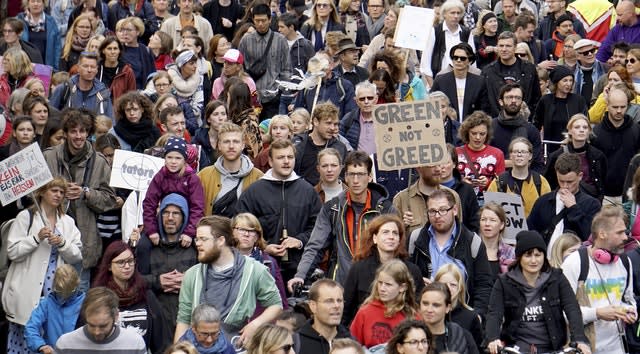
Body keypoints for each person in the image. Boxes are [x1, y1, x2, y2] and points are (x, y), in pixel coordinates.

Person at [288, 151, 395, 286]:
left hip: (377, 284)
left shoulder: (384, 209)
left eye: (361, 174)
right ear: (345, 176)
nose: (356, 180)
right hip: (341, 284)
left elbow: (396, 249)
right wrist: (300, 276)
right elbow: (316, 246)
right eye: (351, 174)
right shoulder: (332, 208)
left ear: (369, 177)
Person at [1, 177, 83, 353]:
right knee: (24, 338)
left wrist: (62, 243)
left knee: (50, 339)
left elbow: (77, 255)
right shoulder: (26, 217)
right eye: (54, 190)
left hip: (55, 290)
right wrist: (36, 238)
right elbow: (13, 252)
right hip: (27, 289)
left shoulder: (67, 221)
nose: (58, 195)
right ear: (42, 192)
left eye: (62, 192)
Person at [175, 216, 283, 344]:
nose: (197, 243)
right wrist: (178, 349)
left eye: (203, 239)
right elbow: (183, 319)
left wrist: (255, 325)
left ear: (221, 240)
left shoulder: (254, 270)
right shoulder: (192, 274)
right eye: (197, 239)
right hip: (198, 347)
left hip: (235, 346)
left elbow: (276, 305)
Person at [43, 109, 118, 288]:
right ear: (66, 133)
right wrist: (56, 191)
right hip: (49, 242)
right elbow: (34, 195)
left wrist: (86, 193)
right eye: (74, 131)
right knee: (48, 299)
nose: (78, 136)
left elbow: (110, 199)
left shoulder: (99, 162)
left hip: (84, 243)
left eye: (83, 131)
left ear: (89, 133)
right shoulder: (49, 156)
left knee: (78, 298)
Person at [485, 230, 591, 354]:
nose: (534, 260)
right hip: (517, 348)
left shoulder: (557, 278)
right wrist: (493, 338)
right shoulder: (504, 282)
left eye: (538, 254)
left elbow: (572, 308)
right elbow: (494, 313)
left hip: (552, 348)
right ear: (519, 258)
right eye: (528, 255)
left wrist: (579, 340)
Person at [237, 139, 322, 281]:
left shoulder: (307, 191)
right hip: (262, 266)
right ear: (270, 161)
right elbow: (241, 228)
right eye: (280, 157)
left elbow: (318, 227)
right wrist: (264, 247)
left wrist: (299, 241)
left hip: (299, 268)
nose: (286, 161)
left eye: (290, 157)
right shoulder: (254, 192)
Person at [562, 206, 637, 354]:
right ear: (602, 234)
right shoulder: (574, 263)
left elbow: (629, 300)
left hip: (618, 347)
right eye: (620, 233)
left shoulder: (624, 262)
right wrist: (597, 313)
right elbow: (562, 311)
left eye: (625, 232)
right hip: (584, 347)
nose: (625, 237)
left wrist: (630, 311)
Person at [410, 189, 493, 317]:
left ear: (454, 210)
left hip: (461, 316)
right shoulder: (416, 239)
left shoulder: (472, 242)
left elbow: (483, 285)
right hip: (424, 315)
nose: (437, 215)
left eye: (443, 210)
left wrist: (477, 316)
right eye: (432, 211)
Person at [342, 215, 424, 326]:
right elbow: (345, 310)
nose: (391, 237)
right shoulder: (359, 269)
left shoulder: (412, 271)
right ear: (375, 238)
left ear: (399, 239)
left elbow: (418, 308)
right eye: (385, 232)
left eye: (395, 233)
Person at [92, 241, 171, 354]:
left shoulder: (146, 295)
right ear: (109, 266)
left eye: (130, 261)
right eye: (121, 262)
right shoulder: (99, 298)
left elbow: (162, 341)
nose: (127, 266)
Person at [137, 193, 198, 335]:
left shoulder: (195, 247)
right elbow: (134, 281)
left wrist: (189, 281)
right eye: (166, 212)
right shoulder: (147, 246)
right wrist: (158, 281)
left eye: (176, 213)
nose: (170, 218)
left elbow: (209, 280)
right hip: (156, 321)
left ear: (184, 216)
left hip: (188, 322)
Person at [528, 152, 601, 248]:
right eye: (561, 181)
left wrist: (573, 208)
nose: (565, 186)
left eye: (570, 182)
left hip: (575, 260)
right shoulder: (543, 201)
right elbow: (530, 231)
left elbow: (590, 237)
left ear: (580, 176)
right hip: (545, 259)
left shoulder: (592, 204)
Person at [143, 136, 204, 247]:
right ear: (164, 158)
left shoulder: (192, 179)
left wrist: (190, 232)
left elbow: (198, 208)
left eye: (178, 158)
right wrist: (151, 230)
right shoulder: (160, 177)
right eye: (169, 157)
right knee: (143, 246)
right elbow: (149, 204)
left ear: (185, 160)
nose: (173, 162)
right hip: (164, 221)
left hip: (188, 223)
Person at [239, 3, 292, 119]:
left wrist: (281, 92)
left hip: (273, 96)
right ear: (253, 20)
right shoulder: (246, 40)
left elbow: (287, 69)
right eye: (257, 20)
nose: (260, 24)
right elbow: (240, 67)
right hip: (251, 97)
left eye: (263, 20)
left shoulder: (280, 40)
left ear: (270, 19)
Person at [198, 122, 263, 217]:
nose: (231, 146)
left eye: (236, 141)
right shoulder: (203, 176)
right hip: (214, 230)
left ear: (243, 145)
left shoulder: (258, 177)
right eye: (226, 142)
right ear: (219, 145)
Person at [54, 287, 147, 353]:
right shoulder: (65, 344)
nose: (97, 332)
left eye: (103, 326)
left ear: (116, 316)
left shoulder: (135, 343)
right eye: (91, 325)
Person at [350, 260, 419, 348]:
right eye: (380, 283)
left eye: (388, 284)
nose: (382, 288)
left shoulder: (412, 316)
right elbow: (352, 346)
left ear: (402, 287)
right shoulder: (365, 311)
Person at [231, 213, 288, 312]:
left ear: (257, 236)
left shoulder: (269, 263)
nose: (246, 234)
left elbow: (281, 301)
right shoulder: (222, 260)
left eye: (252, 231)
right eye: (242, 229)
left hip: (260, 321)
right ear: (232, 232)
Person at [592, 87, 640, 202]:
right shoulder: (596, 133)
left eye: (623, 107)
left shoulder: (636, 130)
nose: (619, 111)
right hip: (604, 195)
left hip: (630, 194)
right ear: (607, 105)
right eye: (615, 107)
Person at [544, 114, 607, 202]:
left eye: (585, 127)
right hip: (563, 200)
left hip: (590, 202)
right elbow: (548, 182)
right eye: (577, 127)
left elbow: (601, 182)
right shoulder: (556, 156)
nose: (581, 130)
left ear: (589, 131)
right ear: (569, 130)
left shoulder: (598, 155)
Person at [24, 264, 84, 354]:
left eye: (69, 292)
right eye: (60, 291)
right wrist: (40, 345)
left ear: (78, 284)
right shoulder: (46, 303)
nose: (64, 296)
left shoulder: (86, 303)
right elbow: (31, 327)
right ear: (53, 285)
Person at [481, 31, 541, 118]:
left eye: (508, 46)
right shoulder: (488, 71)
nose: (504, 49)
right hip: (496, 123)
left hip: (523, 122)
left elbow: (536, 98)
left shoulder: (529, 69)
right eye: (501, 46)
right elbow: (484, 102)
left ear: (515, 47)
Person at [487, 137, 551, 216]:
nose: (519, 155)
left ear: (530, 156)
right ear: (510, 155)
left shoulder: (541, 182)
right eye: (516, 152)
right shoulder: (499, 181)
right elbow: (489, 210)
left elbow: (547, 211)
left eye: (523, 152)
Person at [490, 83, 544, 173]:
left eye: (518, 98)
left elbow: (536, 163)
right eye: (509, 97)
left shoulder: (531, 130)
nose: (514, 101)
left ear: (522, 102)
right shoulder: (490, 127)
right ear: (501, 101)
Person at [420, 0, 475, 88]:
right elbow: (425, 62)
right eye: (452, 13)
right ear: (444, 14)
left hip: (462, 82)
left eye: (458, 13)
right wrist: (433, 87)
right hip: (439, 80)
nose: (456, 16)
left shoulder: (466, 33)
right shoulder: (435, 32)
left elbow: (472, 61)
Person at [534, 65, 588, 152]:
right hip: (550, 148)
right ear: (556, 82)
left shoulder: (578, 100)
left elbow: (585, 123)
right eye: (565, 80)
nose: (569, 84)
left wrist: (570, 138)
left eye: (571, 80)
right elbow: (536, 124)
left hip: (573, 147)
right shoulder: (546, 101)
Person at [430, 43, 489, 122]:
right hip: (448, 127)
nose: (458, 60)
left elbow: (484, 109)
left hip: (471, 128)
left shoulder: (480, 82)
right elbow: (431, 104)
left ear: (470, 61)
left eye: (463, 58)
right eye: (455, 57)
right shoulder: (440, 80)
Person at [293, 102, 348, 186]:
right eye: (328, 123)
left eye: (335, 124)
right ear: (316, 121)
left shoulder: (340, 148)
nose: (333, 128)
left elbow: (343, 178)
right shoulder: (298, 144)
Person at [455, 111, 506, 201]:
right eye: (474, 133)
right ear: (467, 133)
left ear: (487, 134)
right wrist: (461, 183)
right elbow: (447, 180)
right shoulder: (456, 152)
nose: (478, 137)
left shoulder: (497, 154)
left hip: (488, 203)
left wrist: (489, 183)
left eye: (482, 134)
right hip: (461, 201)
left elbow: (502, 185)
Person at [418, 282, 478, 354]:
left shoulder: (461, 335)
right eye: (425, 303)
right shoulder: (410, 335)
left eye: (436, 305)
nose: (429, 310)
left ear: (447, 308)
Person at [49, 52, 114, 119]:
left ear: (97, 69)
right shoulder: (64, 89)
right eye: (85, 66)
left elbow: (111, 122)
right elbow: (51, 116)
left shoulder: (103, 93)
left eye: (93, 67)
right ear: (78, 68)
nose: (89, 70)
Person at [434, 264, 483, 349]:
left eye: (453, 285)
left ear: (460, 288)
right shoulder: (429, 313)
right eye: (443, 284)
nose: (448, 288)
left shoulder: (471, 317)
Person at [296, 279, 352, 354]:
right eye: (329, 301)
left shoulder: (351, 343)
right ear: (313, 306)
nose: (337, 306)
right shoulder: (296, 343)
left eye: (339, 300)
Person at [16, 0, 61, 69]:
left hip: (46, 67)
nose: (35, 4)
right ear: (28, 4)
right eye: (33, 1)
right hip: (24, 67)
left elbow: (57, 47)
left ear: (43, 4)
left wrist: (55, 68)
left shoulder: (51, 21)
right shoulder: (19, 20)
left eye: (39, 1)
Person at [595, 0, 640, 66]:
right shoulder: (617, 29)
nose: (617, 18)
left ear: (630, 14)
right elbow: (604, 49)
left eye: (620, 15)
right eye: (617, 15)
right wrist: (596, 66)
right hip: (619, 71)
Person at [476, 202, 515, 277]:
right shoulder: (471, 249)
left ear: (501, 225)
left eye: (492, 220)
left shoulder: (511, 253)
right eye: (483, 219)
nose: (487, 224)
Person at [339, 81, 378, 155]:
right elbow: (338, 140)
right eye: (362, 99)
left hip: (381, 164)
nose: (366, 101)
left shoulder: (386, 118)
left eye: (370, 98)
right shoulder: (348, 119)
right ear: (356, 101)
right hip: (357, 164)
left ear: (376, 99)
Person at [226, 82, 262, 161]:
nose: (227, 100)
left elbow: (254, 153)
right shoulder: (236, 120)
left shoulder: (248, 123)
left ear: (234, 99)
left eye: (228, 97)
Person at [96, 36, 136, 103]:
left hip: (118, 111)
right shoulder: (96, 69)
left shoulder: (127, 71)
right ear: (103, 51)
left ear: (119, 51)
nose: (112, 52)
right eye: (109, 49)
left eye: (115, 48)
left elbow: (132, 96)